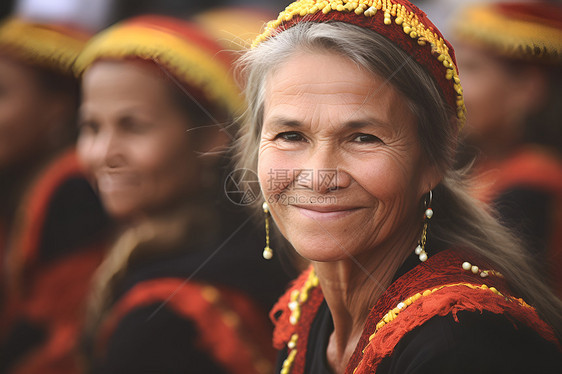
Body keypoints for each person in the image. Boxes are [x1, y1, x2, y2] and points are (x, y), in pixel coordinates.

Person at [234, 0, 562, 373]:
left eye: (363, 138)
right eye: (290, 135)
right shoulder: (310, 309)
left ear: (435, 159)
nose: (319, 175)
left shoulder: (465, 344)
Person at [74, 15, 288, 374]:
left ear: (210, 137)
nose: (103, 153)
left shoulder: (169, 316)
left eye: (133, 126)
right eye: (91, 127)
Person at [0, 17, 110, 374]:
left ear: (57, 109)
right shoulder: (21, 181)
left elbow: (62, 336)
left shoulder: (75, 186)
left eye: (2, 94)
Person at [451, 1, 562, 299]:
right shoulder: (485, 167)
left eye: (472, 69)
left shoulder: (533, 182)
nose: (455, 86)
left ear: (527, 87)